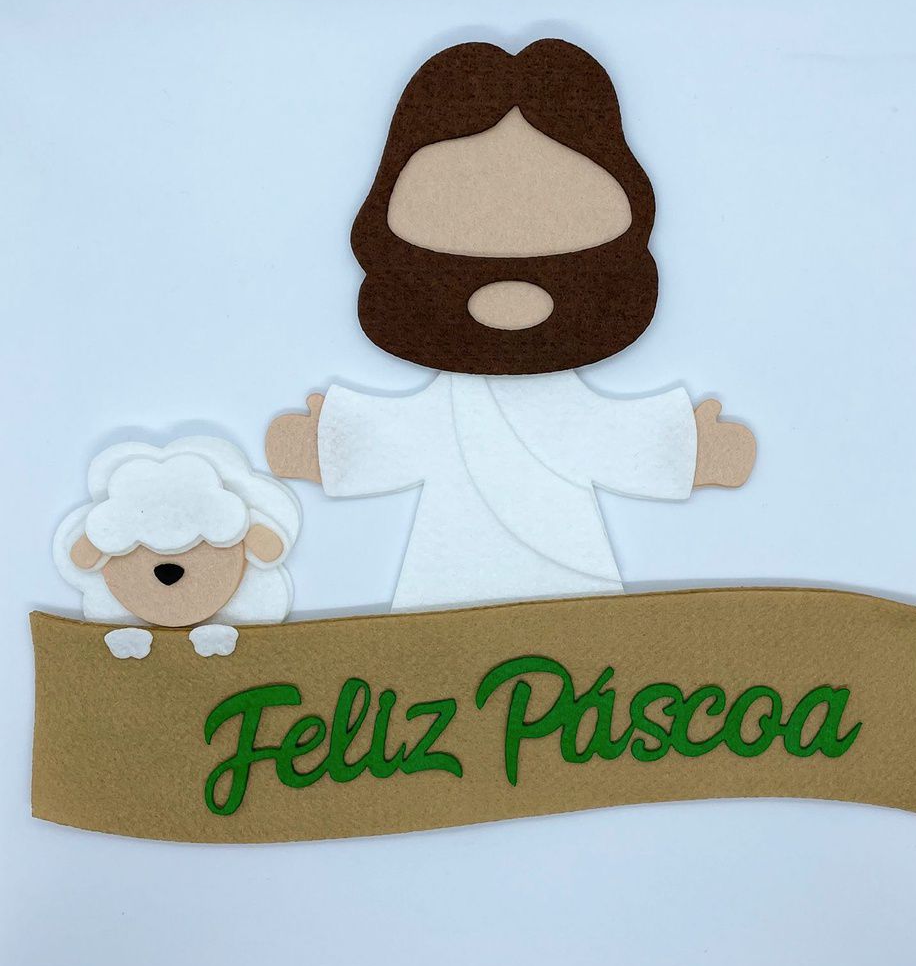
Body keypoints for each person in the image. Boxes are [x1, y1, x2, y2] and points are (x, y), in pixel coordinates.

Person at [267, 39, 754, 612]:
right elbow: (413, 436)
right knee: (446, 643)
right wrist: (336, 444)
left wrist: (685, 448)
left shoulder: (560, 407)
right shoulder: (454, 406)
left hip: (569, 577)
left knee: (572, 645)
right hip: (444, 577)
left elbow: (603, 436)